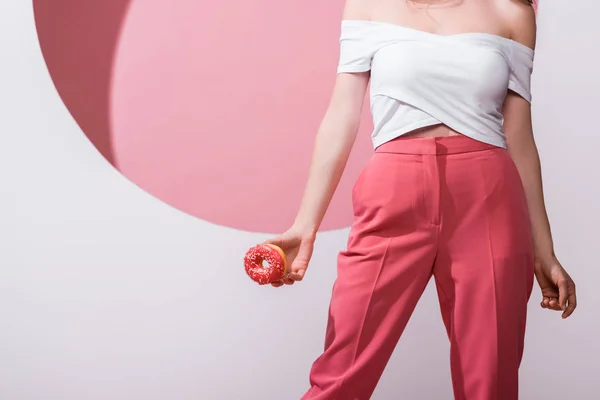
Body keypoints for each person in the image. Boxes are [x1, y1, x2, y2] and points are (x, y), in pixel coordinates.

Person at [264, 0, 577, 398]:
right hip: (393, 189)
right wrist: (304, 225)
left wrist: (543, 251)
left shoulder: (511, 12)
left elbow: (520, 139)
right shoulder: (369, 6)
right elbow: (341, 116)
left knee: (491, 377)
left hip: (488, 197)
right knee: (342, 373)